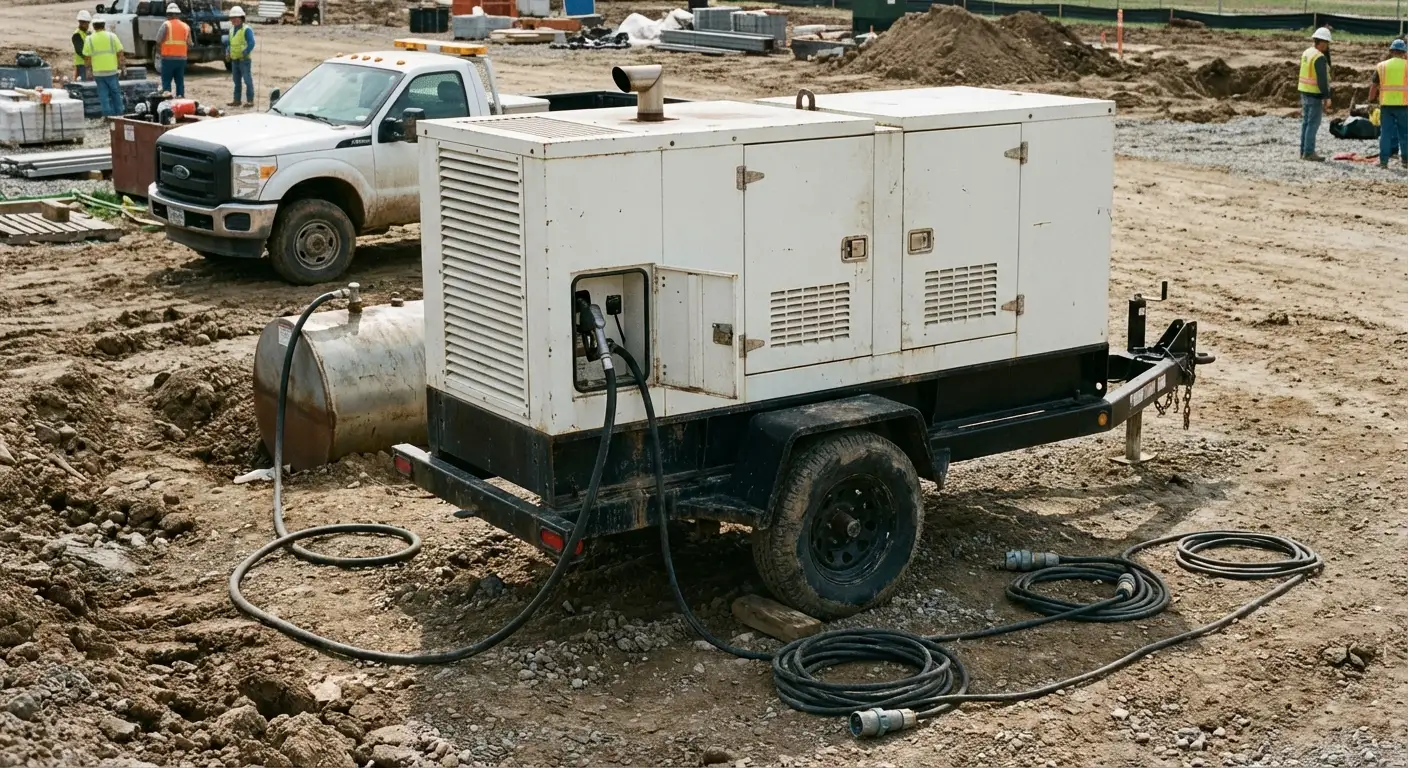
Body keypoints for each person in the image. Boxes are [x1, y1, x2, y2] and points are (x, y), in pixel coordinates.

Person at [1370, 39, 1408, 169]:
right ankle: (1406, 161)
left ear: (1391, 51)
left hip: (1386, 105)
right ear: (1404, 52)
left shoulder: (1382, 66)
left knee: (1385, 133)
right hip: (1404, 105)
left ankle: (1384, 161)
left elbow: (1374, 85)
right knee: (1404, 133)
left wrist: (1371, 100)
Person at [1298, 27, 1334, 162]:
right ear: (1322, 42)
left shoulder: (1307, 52)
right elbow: (1322, 79)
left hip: (1304, 91)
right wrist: (1327, 97)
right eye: (1327, 43)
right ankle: (1309, 152)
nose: (1328, 46)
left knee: (1306, 123)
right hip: (1314, 94)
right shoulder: (1319, 57)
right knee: (1313, 124)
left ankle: (1303, 150)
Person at [82, 18, 127, 118]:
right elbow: (120, 53)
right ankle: (120, 115)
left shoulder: (89, 39)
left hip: (98, 72)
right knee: (116, 94)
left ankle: (108, 117)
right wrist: (123, 67)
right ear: (104, 25)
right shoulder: (112, 36)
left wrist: (88, 71)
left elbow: (87, 57)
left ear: (93, 26)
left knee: (103, 96)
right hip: (111, 71)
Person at [157, 3, 191, 97]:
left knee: (167, 81)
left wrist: (159, 53)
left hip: (168, 58)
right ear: (178, 14)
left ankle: (167, 101)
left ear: (168, 14)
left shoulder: (166, 25)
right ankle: (180, 98)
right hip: (181, 59)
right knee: (179, 80)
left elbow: (158, 40)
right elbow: (190, 43)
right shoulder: (186, 26)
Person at [226, 6, 255, 108]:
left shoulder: (247, 30)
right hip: (234, 60)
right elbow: (229, 43)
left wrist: (245, 52)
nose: (233, 20)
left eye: (235, 17)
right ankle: (237, 100)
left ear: (241, 18)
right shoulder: (231, 30)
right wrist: (227, 52)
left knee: (247, 80)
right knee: (236, 81)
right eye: (232, 18)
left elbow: (252, 43)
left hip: (244, 60)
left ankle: (250, 100)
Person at [72, 10, 92, 81]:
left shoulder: (87, 33)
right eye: (85, 23)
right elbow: (80, 51)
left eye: (87, 23)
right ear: (80, 22)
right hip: (82, 65)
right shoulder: (77, 34)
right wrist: (89, 59)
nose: (87, 25)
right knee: (84, 83)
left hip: (88, 63)